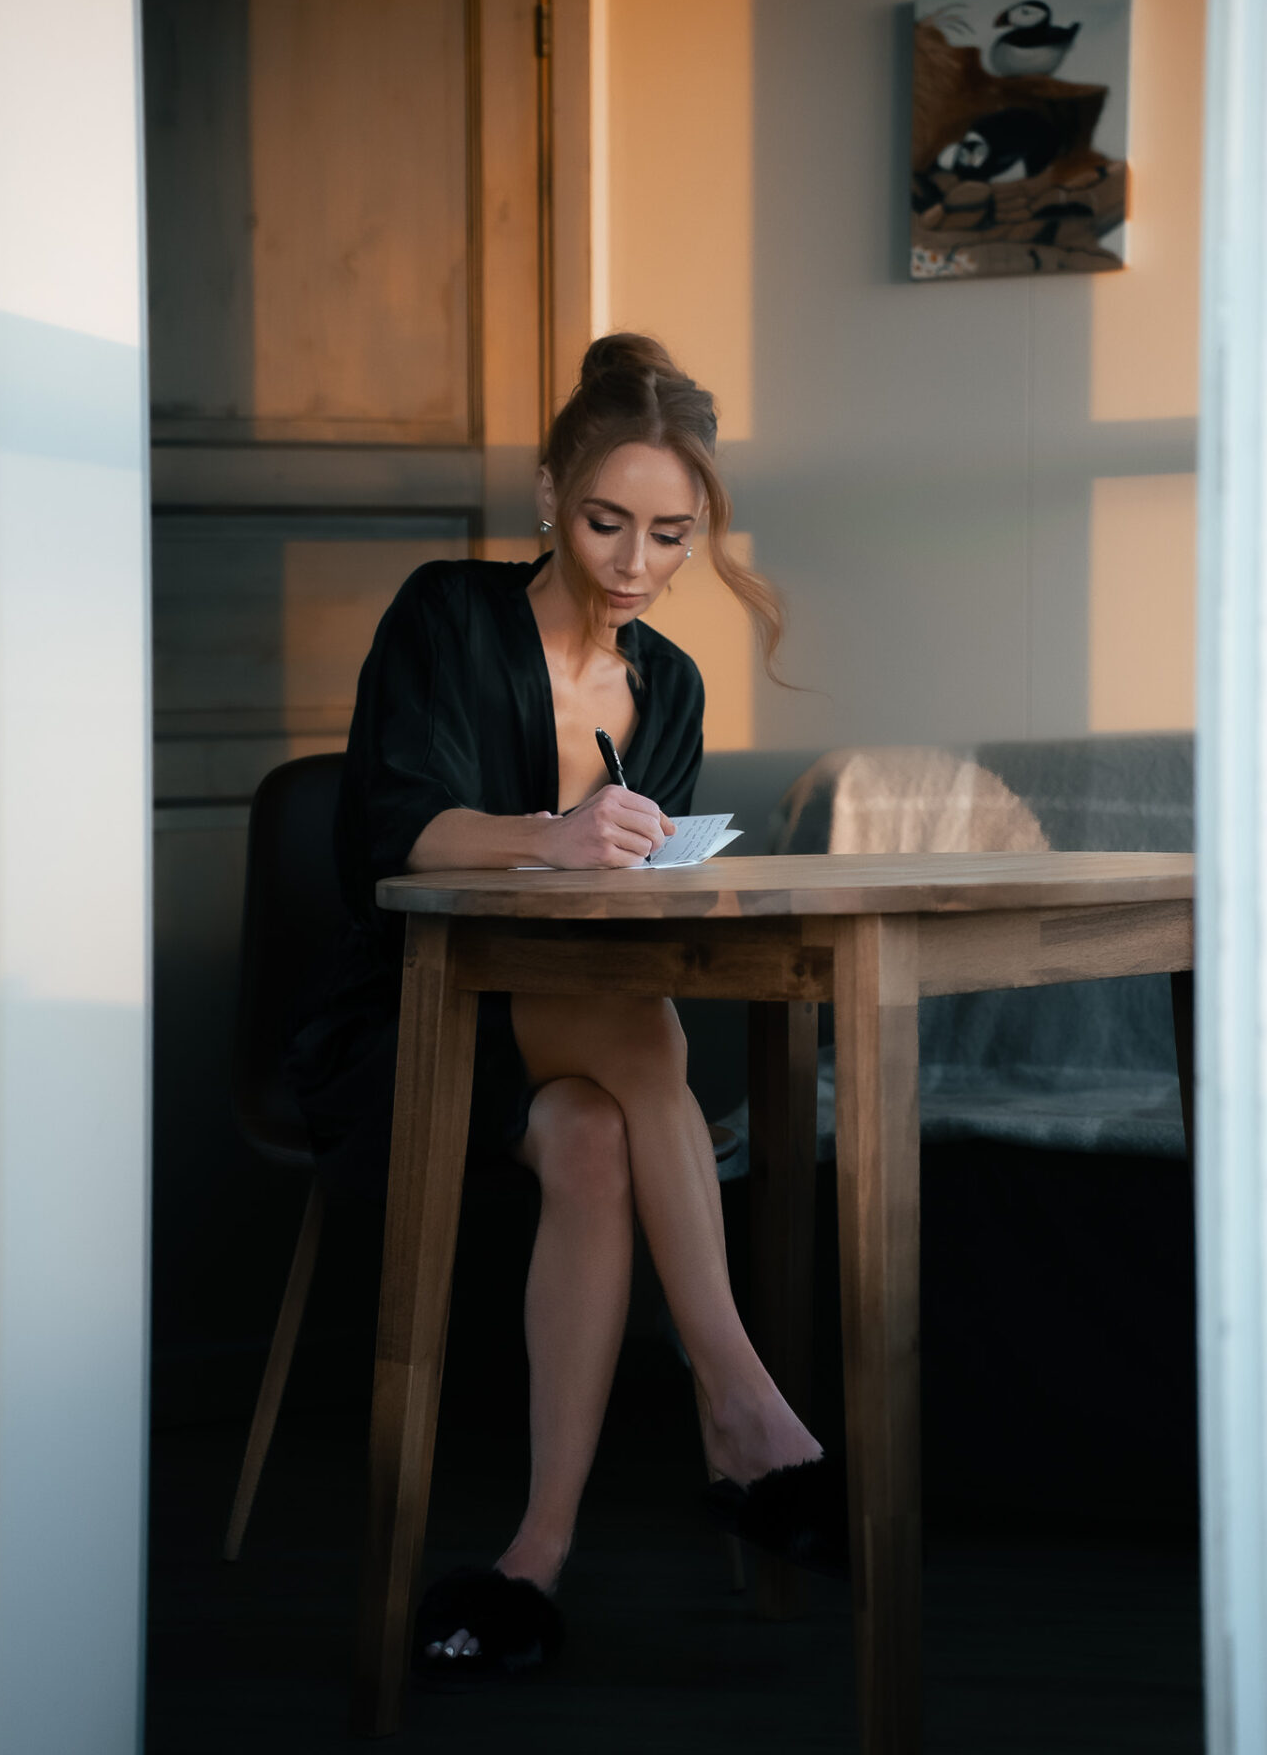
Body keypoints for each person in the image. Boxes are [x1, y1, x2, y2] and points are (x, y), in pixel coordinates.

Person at [290, 333, 845, 1684]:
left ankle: (534, 1558)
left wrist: (635, 867)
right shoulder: (445, 615)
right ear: (550, 493)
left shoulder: (673, 686)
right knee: (640, 1035)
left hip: (565, 1021)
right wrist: (558, 832)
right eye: (607, 522)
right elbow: (398, 841)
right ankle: (740, 1393)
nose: (637, 564)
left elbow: (622, 907)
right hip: (408, 1019)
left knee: (600, 1124)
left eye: (671, 533)